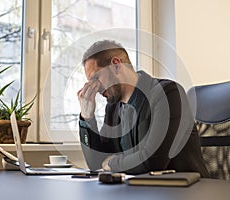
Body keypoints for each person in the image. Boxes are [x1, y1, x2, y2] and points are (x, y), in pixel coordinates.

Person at [77, 40, 210, 177]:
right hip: (140, 191)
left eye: (97, 77)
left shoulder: (168, 94)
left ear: (116, 66)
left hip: (184, 192)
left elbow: (152, 161)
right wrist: (87, 117)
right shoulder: (113, 107)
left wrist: (113, 163)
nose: (96, 87)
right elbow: (96, 163)